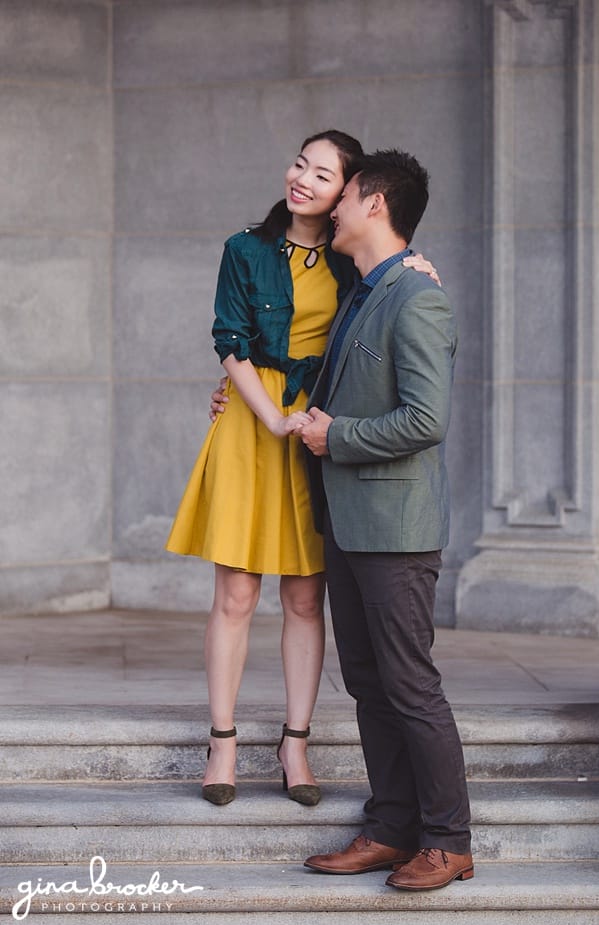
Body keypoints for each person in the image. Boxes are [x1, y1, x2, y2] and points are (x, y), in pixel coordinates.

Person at [167, 131, 436, 807]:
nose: (303, 180)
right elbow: (230, 342)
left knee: (303, 596)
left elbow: (389, 279)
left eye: (323, 175)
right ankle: (222, 740)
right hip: (254, 426)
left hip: (316, 431)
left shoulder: (351, 261)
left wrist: (420, 267)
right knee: (235, 592)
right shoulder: (244, 249)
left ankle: (295, 742)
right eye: (299, 164)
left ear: (350, 193)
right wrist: (268, 415)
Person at [295, 149, 474, 892]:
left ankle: (448, 839)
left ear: (374, 202)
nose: (329, 207)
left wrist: (335, 437)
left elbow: (425, 420)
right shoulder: (365, 292)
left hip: (397, 532)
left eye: (342, 195)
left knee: (410, 685)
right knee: (369, 684)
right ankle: (391, 825)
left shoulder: (417, 297)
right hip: (351, 524)